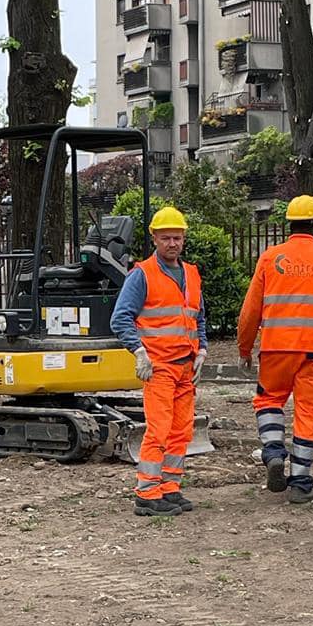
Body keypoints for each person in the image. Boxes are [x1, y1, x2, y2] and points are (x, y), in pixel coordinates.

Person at [237, 194, 313, 504]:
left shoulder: (270, 258)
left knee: (268, 400)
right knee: (309, 413)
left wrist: (245, 348)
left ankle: (273, 452)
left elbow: (250, 310)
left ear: (289, 224)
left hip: (276, 348)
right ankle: (301, 482)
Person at [110, 205, 208, 517]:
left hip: (185, 366)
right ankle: (147, 493)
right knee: (159, 430)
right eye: (166, 238)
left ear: (183, 239)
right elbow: (120, 318)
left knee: (181, 431)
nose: (172, 244)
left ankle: (169, 488)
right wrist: (139, 352)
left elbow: (198, 317)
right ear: (154, 238)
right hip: (160, 366)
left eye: (177, 238)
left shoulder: (191, 274)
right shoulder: (142, 275)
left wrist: (202, 351)